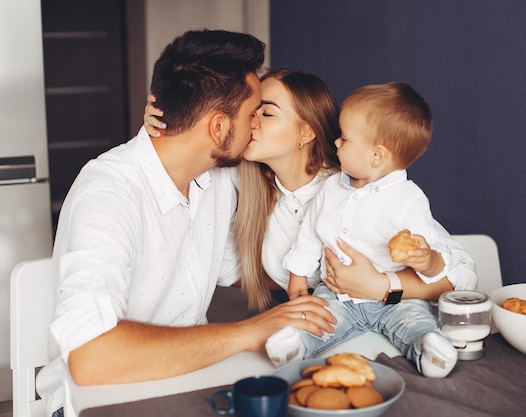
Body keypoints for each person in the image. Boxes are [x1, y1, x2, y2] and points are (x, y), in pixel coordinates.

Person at [36, 30, 336, 417]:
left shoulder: (217, 179)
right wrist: (250, 332)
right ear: (217, 127)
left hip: (188, 383)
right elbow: (91, 358)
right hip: (99, 399)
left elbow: (251, 266)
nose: (255, 127)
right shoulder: (108, 193)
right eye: (251, 114)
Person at [144, 70, 477, 312]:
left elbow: (463, 275)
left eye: (267, 112)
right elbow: (220, 266)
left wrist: (381, 287)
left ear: (305, 132)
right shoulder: (245, 184)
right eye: (252, 111)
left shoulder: (357, 189)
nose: (252, 121)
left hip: (391, 328)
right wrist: (168, 126)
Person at [265, 82, 471, 378]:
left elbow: (438, 256)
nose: (335, 143)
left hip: (397, 300)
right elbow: (310, 234)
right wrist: (297, 276)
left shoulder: (408, 199)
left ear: (377, 156)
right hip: (338, 296)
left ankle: (430, 349)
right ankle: (296, 346)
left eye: (345, 139)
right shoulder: (331, 188)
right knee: (318, 317)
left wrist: (428, 260)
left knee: (415, 320)